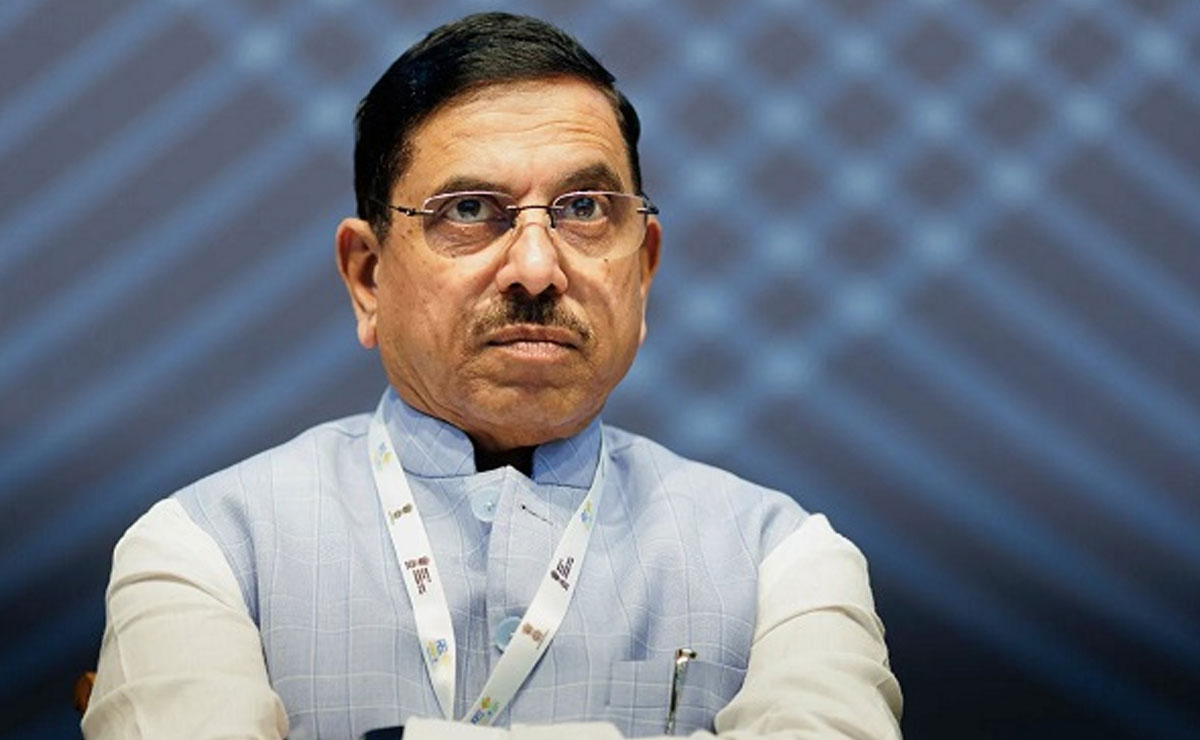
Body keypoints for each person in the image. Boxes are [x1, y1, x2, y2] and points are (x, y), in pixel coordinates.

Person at [82, 12, 902, 740]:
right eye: (470, 210)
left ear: (643, 270)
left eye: (584, 209)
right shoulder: (206, 554)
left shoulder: (783, 563)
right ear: (367, 276)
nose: (537, 269)